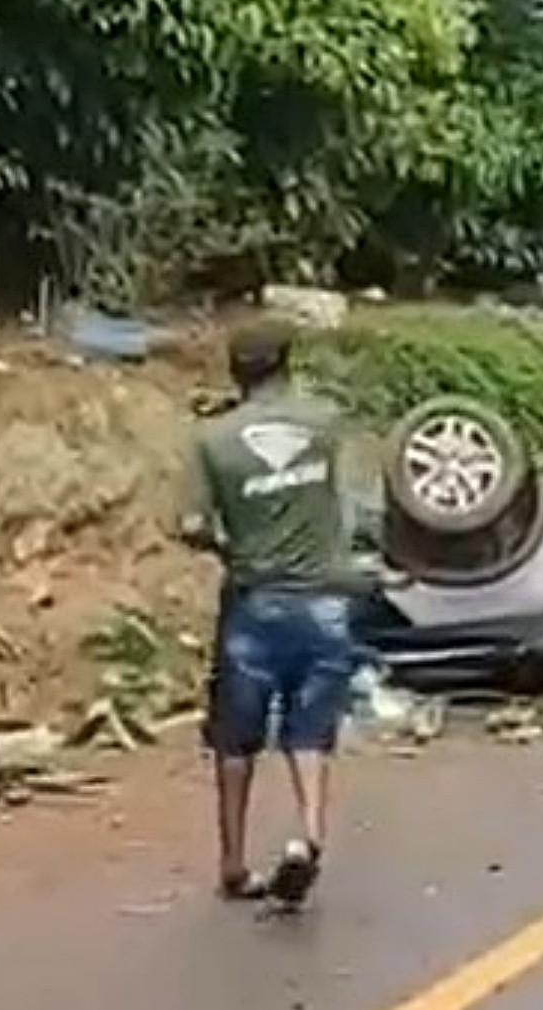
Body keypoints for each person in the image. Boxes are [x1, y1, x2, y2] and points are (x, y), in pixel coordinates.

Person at [178, 319, 363, 907]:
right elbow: (350, 506)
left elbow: (189, 526)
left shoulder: (213, 440)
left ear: (236, 373)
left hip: (254, 608)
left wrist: (230, 546)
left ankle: (233, 865)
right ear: (288, 367)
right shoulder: (327, 423)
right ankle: (309, 837)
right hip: (326, 606)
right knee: (311, 732)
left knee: (236, 739)